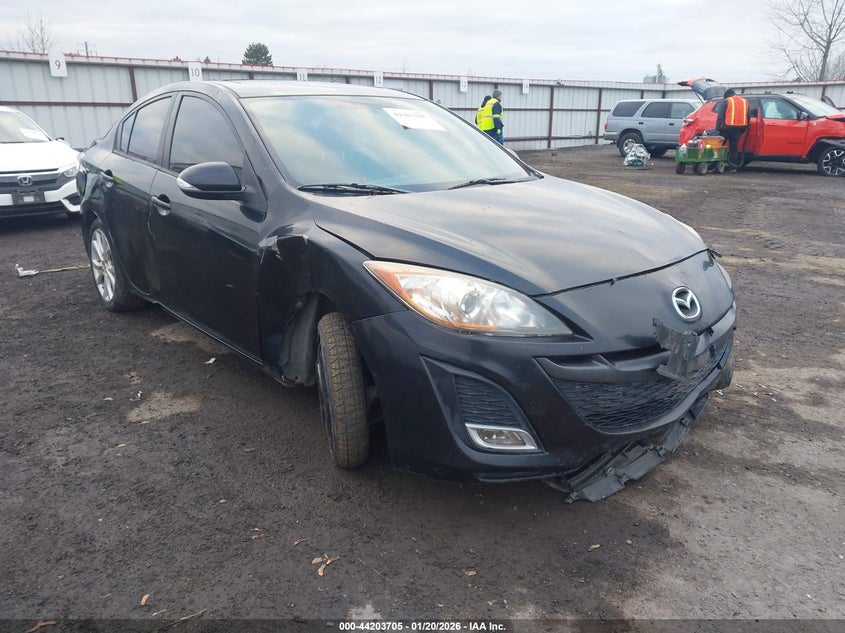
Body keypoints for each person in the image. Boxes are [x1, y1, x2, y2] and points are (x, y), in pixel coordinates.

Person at [715, 88, 749, 169]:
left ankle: (716, 165)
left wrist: (717, 128)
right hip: (739, 129)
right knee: (734, 147)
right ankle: (733, 167)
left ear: (726, 95)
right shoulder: (744, 101)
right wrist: (744, 128)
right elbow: (748, 116)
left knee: (720, 146)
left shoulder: (726, 101)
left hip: (727, 128)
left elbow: (720, 116)